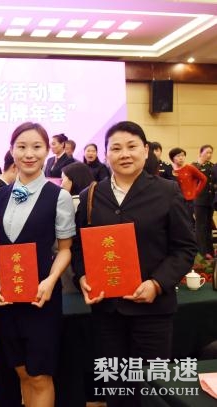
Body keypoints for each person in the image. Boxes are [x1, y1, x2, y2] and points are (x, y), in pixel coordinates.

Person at [71, 121, 197, 407]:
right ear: (106, 154)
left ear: (145, 150)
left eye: (132, 146)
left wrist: (157, 283)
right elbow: (79, 247)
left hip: (153, 312)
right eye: (116, 148)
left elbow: (185, 248)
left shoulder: (167, 191)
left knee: (151, 391)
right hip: (107, 312)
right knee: (116, 389)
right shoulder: (91, 195)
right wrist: (82, 277)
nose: (124, 154)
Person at [0, 122, 76, 407]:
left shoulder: (59, 196)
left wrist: (50, 281)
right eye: (21, 147)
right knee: (21, 371)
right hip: (6, 299)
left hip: (41, 297)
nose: (29, 154)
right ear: (11, 150)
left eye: (36, 147)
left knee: (39, 374)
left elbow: (65, 250)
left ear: (47, 150)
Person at [168, 147, 207, 223]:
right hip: (175, 200)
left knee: (188, 222)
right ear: (172, 158)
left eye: (183, 155)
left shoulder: (190, 168)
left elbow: (203, 179)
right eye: (178, 156)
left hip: (188, 200)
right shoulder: (170, 170)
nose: (181, 158)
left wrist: (196, 191)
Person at [192, 144, 215, 257]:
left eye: (211, 153)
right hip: (199, 200)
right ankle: (201, 252)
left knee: (208, 225)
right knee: (200, 226)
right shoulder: (194, 166)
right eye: (207, 152)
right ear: (201, 153)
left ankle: (210, 251)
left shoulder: (212, 166)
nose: (209, 155)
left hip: (210, 201)